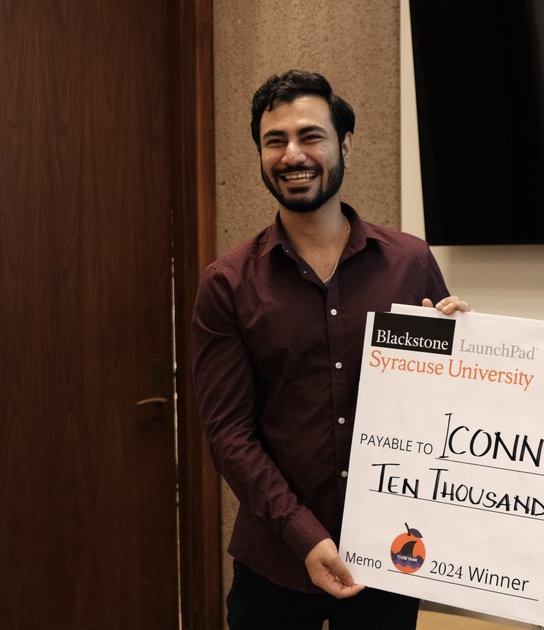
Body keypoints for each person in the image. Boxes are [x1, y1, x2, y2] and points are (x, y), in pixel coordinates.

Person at [192, 69, 467, 629]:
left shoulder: (410, 264)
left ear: (344, 145)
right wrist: (304, 534)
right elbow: (229, 435)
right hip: (275, 562)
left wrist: (467, 350)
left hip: (390, 556)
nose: (293, 154)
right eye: (275, 141)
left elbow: (443, 412)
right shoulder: (227, 284)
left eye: (310, 136)